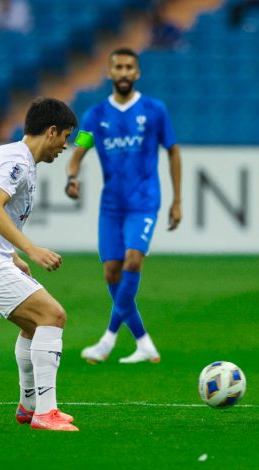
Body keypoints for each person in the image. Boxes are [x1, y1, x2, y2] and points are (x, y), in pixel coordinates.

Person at [0, 97, 79, 432]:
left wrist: (12, 255)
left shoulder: (13, 154)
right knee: (52, 315)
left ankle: (29, 406)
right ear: (51, 131)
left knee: (35, 325)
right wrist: (31, 249)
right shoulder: (18, 162)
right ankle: (45, 413)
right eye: (65, 137)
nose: (64, 146)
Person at [65, 47, 182, 365]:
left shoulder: (154, 110)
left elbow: (172, 150)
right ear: (110, 72)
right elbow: (78, 152)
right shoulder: (95, 116)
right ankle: (144, 343)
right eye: (118, 67)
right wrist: (72, 177)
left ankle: (108, 339)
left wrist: (177, 200)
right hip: (111, 207)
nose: (124, 72)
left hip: (144, 201)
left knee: (132, 260)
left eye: (130, 67)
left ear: (137, 72)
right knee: (111, 271)